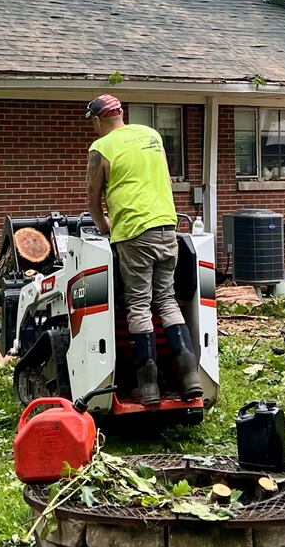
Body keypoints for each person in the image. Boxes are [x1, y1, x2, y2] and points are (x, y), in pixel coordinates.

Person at [84, 95, 203, 406]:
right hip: (167, 227)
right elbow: (163, 178)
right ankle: (190, 378)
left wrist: (101, 224)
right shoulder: (152, 136)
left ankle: (147, 387)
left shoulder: (101, 148)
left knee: (138, 304)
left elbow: (93, 194)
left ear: (98, 121)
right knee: (166, 299)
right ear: (122, 115)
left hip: (133, 232)